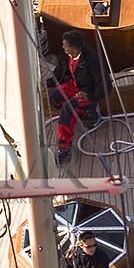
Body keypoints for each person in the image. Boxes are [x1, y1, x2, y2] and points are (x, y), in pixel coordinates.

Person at [46, 30, 108, 167]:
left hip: (87, 92)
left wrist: (90, 96)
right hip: (74, 85)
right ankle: (83, 113)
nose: (62, 47)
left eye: (65, 45)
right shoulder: (66, 54)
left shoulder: (92, 60)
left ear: (74, 48)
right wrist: (48, 83)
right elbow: (60, 71)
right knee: (53, 97)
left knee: (68, 109)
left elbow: (105, 85)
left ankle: (64, 149)